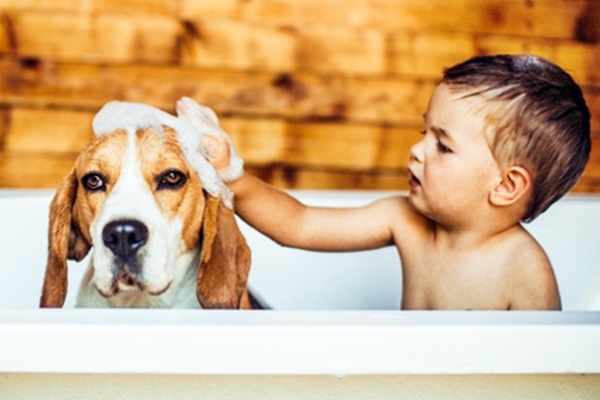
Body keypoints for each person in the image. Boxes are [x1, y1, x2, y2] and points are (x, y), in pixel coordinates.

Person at [179, 54, 591, 310]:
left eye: (443, 146)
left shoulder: (524, 271)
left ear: (505, 186)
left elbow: (541, 375)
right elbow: (299, 224)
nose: (417, 150)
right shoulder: (405, 219)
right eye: (424, 132)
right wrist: (234, 174)